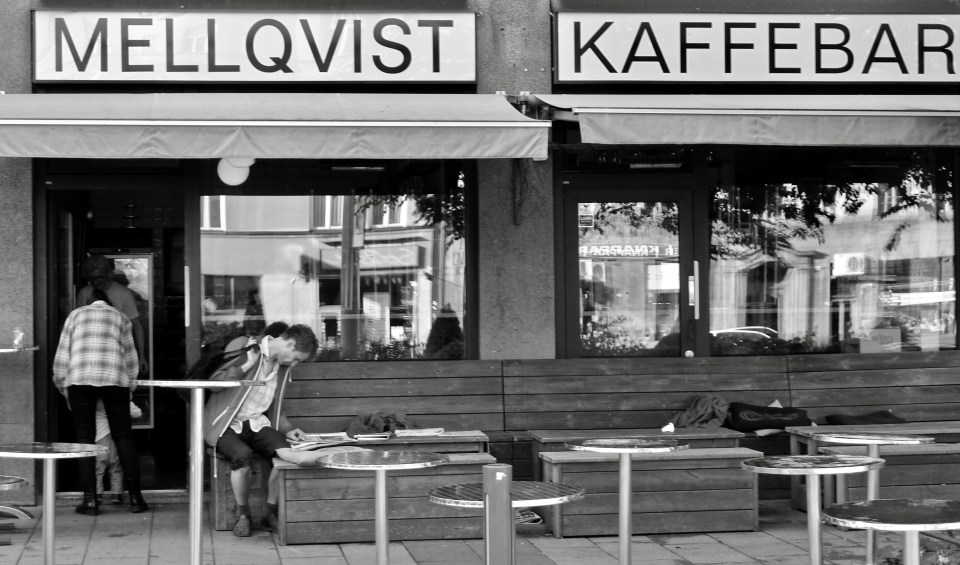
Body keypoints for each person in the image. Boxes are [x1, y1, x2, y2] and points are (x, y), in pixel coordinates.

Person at [202, 324, 325, 537]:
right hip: (225, 423)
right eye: (296, 358)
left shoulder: (282, 367)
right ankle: (243, 515)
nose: (294, 364)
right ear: (290, 343)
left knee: (285, 456)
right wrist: (244, 366)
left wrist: (287, 429)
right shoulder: (245, 346)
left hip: (257, 423)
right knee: (242, 457)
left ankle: (269, 513)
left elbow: (277, 404)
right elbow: (213, 384)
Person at [53, 289, 148, 515]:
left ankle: (90, 501)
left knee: (84, 439)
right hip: (114, 379)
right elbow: (131, 359)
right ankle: (136, 498)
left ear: (89, 302)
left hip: (79, 380)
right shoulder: (120, 317)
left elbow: (62, 357)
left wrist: (63, 387)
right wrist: (128, 388)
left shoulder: (75, 315)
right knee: (123, 435)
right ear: (108, 302)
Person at [77, 254, 149, 376]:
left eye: (99, 277)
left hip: (117, 354)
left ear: (108, 274)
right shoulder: (84, 293)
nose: (95, 282)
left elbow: (136, 325)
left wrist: (141, 355)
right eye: (91, 278)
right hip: (90, 355)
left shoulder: (124, 294)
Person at [94, 398, 142, 505]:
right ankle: (116, 494)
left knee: (98, 468)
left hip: (99, 436)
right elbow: (137, 413)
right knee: (116, 467)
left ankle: (97, 494)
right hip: (116, 435)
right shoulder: (119, 397)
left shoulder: (96, 400)